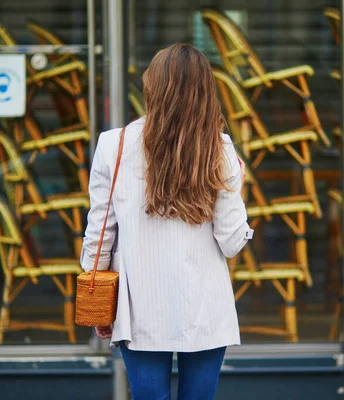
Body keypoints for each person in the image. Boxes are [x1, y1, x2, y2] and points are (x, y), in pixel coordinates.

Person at [81, 43, 253, 400]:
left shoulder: (114, 144)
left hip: (138, 306)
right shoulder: (220, 149)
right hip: (205, 308)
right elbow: (232, 241)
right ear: (206, 92)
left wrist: (100, 303)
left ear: (152, 88)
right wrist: (237, 178)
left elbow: (100, 232)